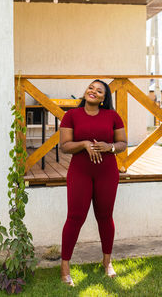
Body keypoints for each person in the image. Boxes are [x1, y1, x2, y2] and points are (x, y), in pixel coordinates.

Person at [59, 79, 127, 286]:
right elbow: (64, 146)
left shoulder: (113, 116)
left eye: (99, 91)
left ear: (104, 98)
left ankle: (107, 262)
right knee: (75, 217)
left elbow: (123, 143)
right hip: (80, 171)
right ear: (86, 91)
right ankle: (65, 267)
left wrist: (110, 147)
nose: (93, 92)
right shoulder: (71, 116)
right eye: (91, 88)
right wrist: (84, 144)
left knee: (105, 216)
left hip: (107, 172)